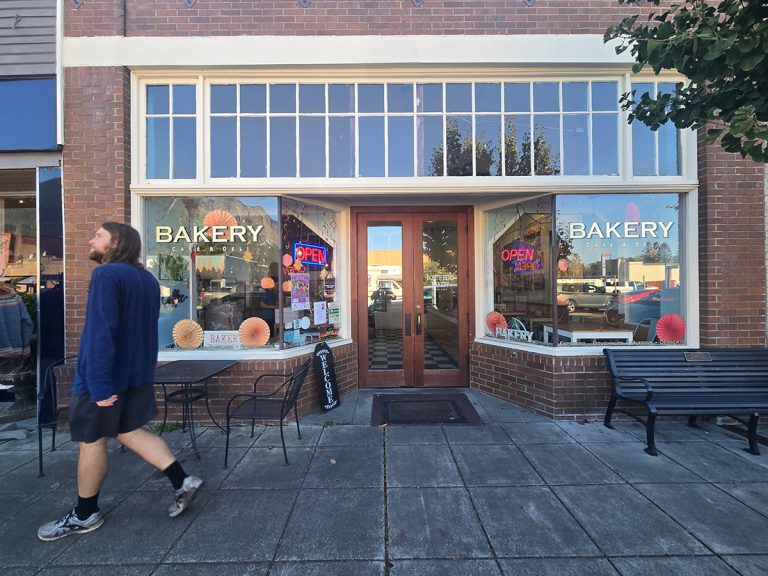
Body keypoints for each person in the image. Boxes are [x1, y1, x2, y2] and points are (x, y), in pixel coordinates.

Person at [38, 222, 203, 542]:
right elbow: (144, 329)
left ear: (117, 243)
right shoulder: (147, 279)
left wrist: (98, 385)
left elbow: (102, 331)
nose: (91, 239)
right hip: (135, 374)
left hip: (104, 378)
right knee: (127, 431)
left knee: (93, 440)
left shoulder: (106, 275)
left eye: (98, 236)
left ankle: (85, 514)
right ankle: (182, 480)